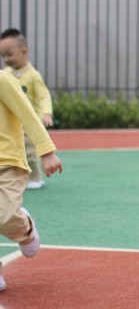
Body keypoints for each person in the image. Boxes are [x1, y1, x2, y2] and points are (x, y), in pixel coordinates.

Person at [0, 70, 62, 291]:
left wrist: (46, 151)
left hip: (8, 163)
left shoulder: (2, 79)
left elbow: (28, 114)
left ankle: (24, 226)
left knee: (5, 217)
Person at [0, 28, 54, 190]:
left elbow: (43, 95)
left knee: (30, 151)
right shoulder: (6, 74)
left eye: (10, 54)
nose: (6, 59)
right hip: (13, 124)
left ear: (24, 51)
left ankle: (35, 177)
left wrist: (46, 112)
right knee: (16, 152)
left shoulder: (32, 75)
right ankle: (18, 178)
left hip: (31, 120)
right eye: (3, 56)